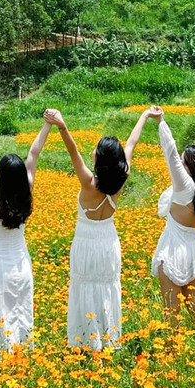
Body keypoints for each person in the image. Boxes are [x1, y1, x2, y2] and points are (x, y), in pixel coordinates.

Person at [55, 106, 156, 350]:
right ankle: (107, 339)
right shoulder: (122, 177)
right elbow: (131, 144)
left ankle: (84, 341)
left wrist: (61, 124)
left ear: (100, 158)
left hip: (86, 242)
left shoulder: (88, 182)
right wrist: (144, 116)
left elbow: (72, 150)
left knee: (84, 288)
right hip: (108, 241)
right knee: (107, 289)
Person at [0, 113, 51, 360]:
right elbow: (34, 154)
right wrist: (48, 124)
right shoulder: (26, 191)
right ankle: (22, 361)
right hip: (21, 267)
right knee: (21, 314)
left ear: (2, 176)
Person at [151, 106, 195, 314]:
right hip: (194, 251)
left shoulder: (185, 187)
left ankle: (172, 347)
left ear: (188, 167)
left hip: (172, 251)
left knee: (172, 313)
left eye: (183, 162)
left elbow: (170, 152)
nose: (179, 163)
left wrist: (161, 121)